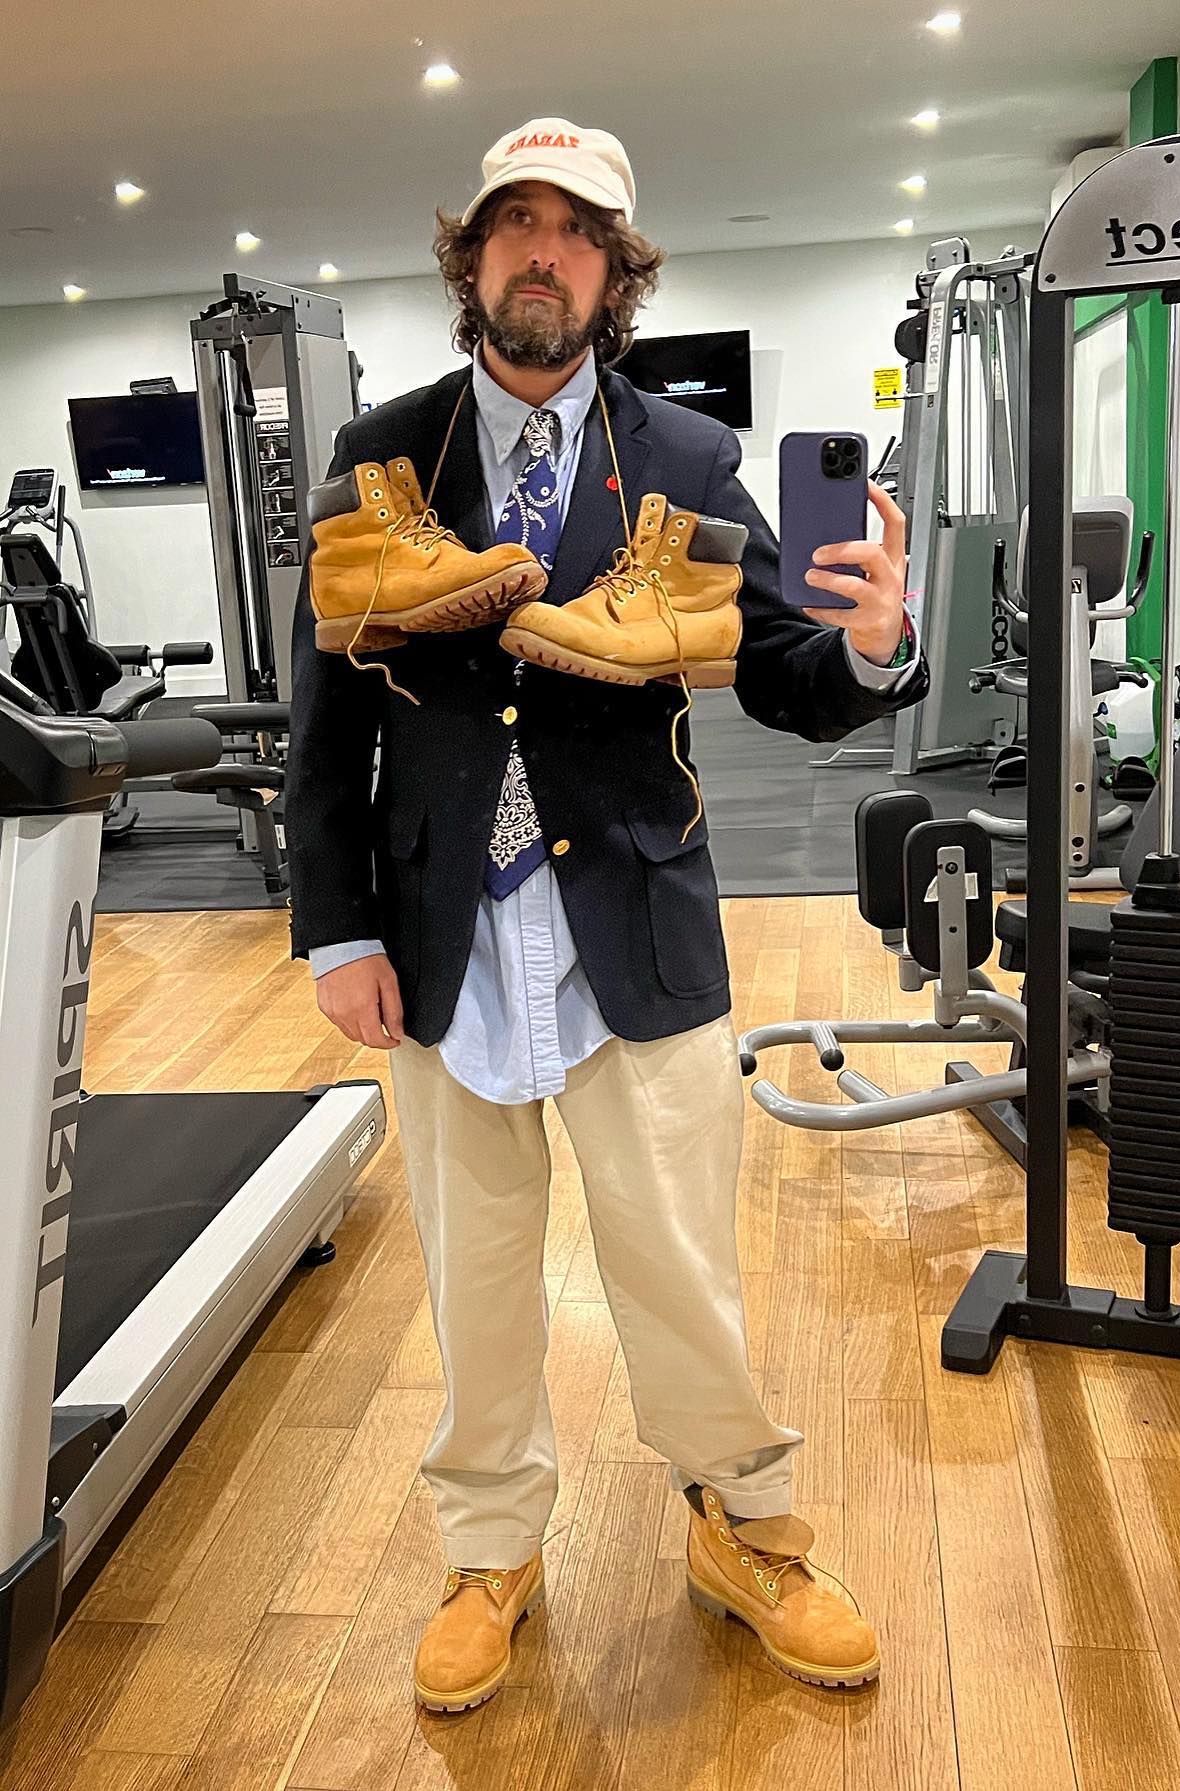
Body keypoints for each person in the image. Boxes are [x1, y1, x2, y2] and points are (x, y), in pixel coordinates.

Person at [286, 116, 928, 1714]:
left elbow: (779, 673)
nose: (544, 251)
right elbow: (327, 720)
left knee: (679, 1266)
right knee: (473, 1276)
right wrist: (337, 927)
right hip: (439, 933)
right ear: (472, 258)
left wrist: (871, 645)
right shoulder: (385, 446)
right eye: (515, 221)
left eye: (578, 229)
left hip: (634, 918)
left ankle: (745, 1530)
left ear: (617, 273)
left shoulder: (689, 459)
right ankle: (489, 1551)